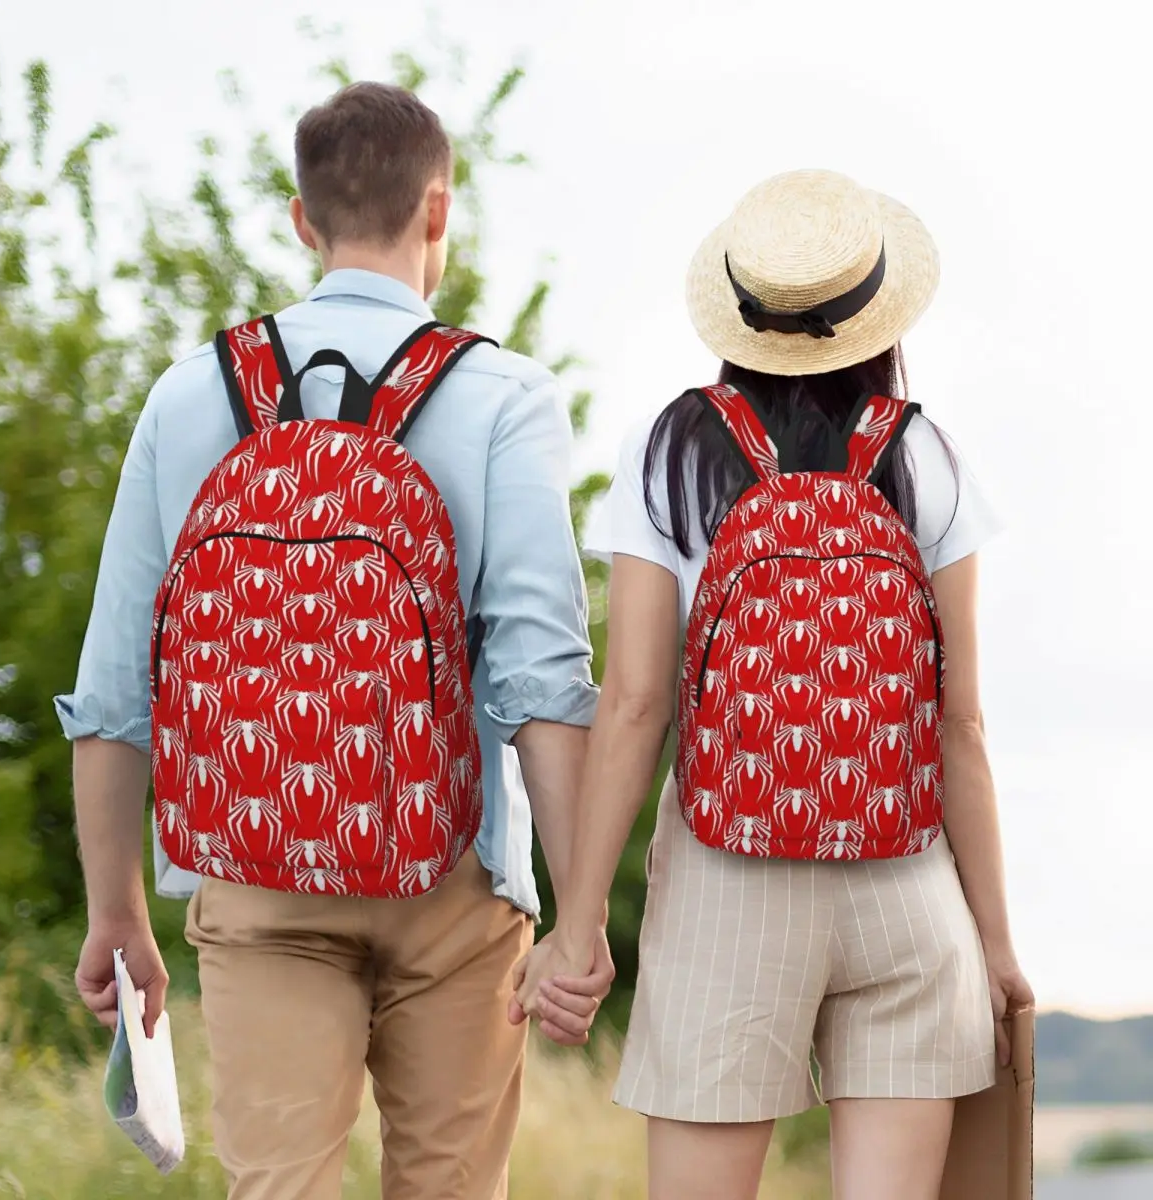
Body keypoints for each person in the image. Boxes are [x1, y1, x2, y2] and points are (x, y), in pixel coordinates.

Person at [58, 81, 613, 1200]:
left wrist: (115, 910)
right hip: (453, 870)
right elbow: (542, 679)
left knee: (278, 1187)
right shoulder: (503, 395)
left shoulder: (189, 395)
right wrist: (580, 916)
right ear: (439, 213)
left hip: (253, 871)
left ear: (302, 219)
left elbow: (117, 684)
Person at [513, 169, 1034, 1200]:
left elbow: (635, 706)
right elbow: (960, 723)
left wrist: (577, 928)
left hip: (726, 879)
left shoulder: (670, 451)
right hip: (908, 883)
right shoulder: (926, 456)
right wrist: (996, 944)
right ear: (878, 315)